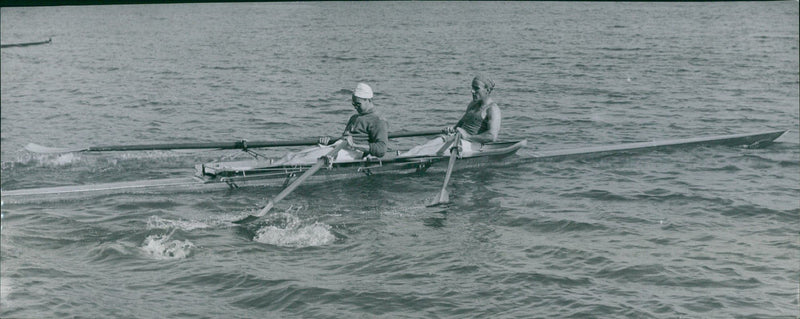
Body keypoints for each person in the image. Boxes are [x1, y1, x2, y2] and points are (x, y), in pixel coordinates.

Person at [402, 74, 502, 156]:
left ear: (487, 90)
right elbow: (461, 124)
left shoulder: (492, 109)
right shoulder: (473, 104)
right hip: (457, 139)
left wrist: (467, 137)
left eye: (476, 88)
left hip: (472, 144)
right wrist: (451, 129)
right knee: (421, 148)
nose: (472, 91)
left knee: (426, 152)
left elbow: (492, 136)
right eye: (472, 87)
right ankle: (399, 159)